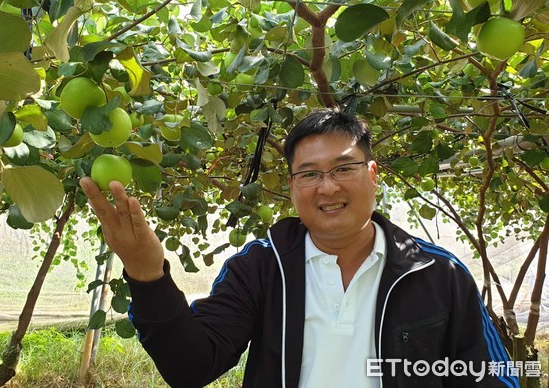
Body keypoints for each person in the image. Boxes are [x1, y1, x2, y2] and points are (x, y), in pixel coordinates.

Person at [80, 108, 518, 388]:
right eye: (308, 174)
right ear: (291, 186)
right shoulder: (260, 268)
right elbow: (191, 367)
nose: (326, 187)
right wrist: (147, 274)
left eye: (343, 168)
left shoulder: (436, 273)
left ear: (372, 174)